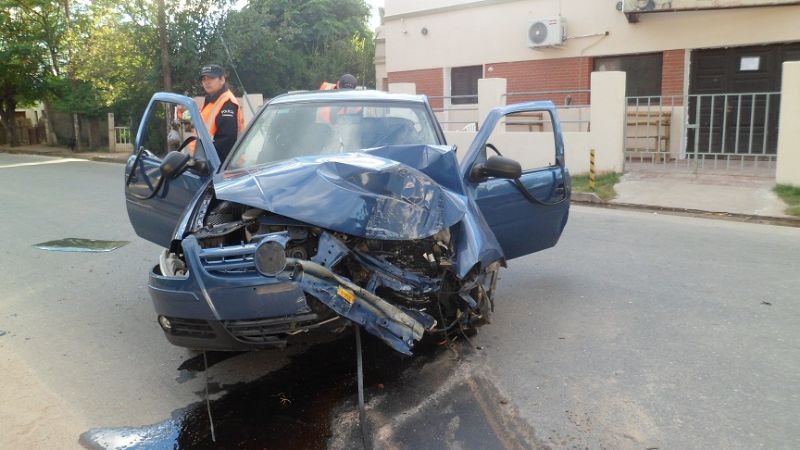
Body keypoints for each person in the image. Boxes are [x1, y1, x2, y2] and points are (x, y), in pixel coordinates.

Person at [198, 64, 244, 162]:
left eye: (211, 78)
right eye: (204, 79)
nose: (207, 82)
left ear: (222, 79)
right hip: (209, 160)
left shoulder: (227, 103)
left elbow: (226, 142)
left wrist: (206, 160)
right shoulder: (210, 101)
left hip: (223, 163)